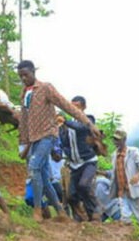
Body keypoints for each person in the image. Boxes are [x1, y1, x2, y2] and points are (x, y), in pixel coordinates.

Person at [17, 60, 100, 221]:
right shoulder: (24, 94)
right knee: (43, 175)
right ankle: (60, 211)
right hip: (33, 140)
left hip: (48, 135)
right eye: (21, 76)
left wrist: (88, 123)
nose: (23, 79)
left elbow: (66, 105)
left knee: (34, 168)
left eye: (26, 75)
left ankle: (37, 210)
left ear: (34, 72)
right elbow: (24, 121)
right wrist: (24, 145)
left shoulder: (45, 88)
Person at [58, 97, 100, 221]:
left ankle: (95, 212)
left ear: (84, 107)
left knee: (83, 185)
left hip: (88, 161)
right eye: (71, 106)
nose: (73, 108)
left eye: (77, 106)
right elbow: (64, 142)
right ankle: (81, 216)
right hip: (74, 164)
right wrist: (61, 129)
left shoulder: (88, 119)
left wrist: (65, 121)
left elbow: (82, 128)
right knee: (70, 195)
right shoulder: (68, 123)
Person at [109, 130, 139, 240]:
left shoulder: (133, 152)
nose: (116, 142)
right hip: (122, 192)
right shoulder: (114, 155)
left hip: (133, 190)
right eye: (115, 139)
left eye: (118, 140)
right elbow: (114, 173)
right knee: (125, 218)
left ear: (124, 140)